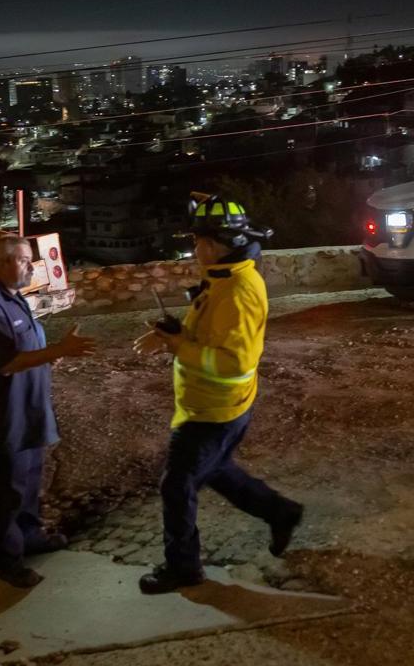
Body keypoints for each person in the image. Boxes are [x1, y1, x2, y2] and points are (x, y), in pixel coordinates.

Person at [132, 195, 304, 595]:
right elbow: (211, 333)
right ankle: (281, 513)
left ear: (214, 244)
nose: (194, 249)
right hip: (214, 404)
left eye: (197, 241)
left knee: (176, 486)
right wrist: (172, 335)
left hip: (213, 409)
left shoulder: (237, 291)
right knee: (216, 470)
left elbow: (233, 363)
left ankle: (183, 568)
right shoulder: (225, 278)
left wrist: (179, 348)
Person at [0, 234, 96, 588]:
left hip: (31, 411)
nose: (31, 266)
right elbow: (7, 363)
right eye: (25, 259)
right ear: (2, 263)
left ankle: (32, 537)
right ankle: (8, 561)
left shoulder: (15, 297)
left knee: (29, 484)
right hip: (7, 418)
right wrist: (61, 350)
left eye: (30, 259)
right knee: (7, 492)